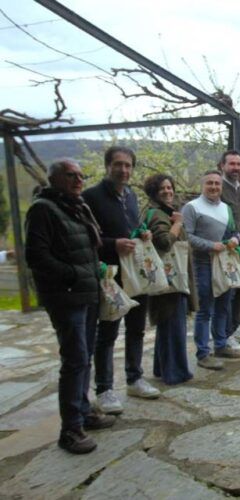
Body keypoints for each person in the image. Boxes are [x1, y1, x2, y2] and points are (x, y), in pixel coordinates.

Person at [26, 159, 115, 454]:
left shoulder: (76, 206)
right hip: (66, 297)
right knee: (75, 360)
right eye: (70, 175)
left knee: (84, 357)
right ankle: (70, 430)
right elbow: (37, 257)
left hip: (87, 294)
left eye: (81, 175)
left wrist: (94, 269)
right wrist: (75, 274)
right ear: (54, 179)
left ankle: (84, 411)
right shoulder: (43, 209)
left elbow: (85, 248)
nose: (78, 180)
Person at [83, 146, 160, 416]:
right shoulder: (90, 197)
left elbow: (130, 228)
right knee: (107, 333)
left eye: (128, 165)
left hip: (134, 272)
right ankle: (104, 389)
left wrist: (142, 233)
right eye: (118, 164)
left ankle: (134, 378)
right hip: (109, 275)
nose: (124, 170)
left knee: (137, 328)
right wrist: (112, 244)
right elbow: (85, 239)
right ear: (107, 166)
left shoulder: (130, 196)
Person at [183, 170, 240, 370]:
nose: (213, 187)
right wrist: (211, 245)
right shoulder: (192, 207)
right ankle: (203, 353)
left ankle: (220, 344)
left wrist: (235, 239)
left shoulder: (226, 208)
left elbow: (232, 232)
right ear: (203, 185)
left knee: (224, 304)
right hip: (203, 263)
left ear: (221, 186)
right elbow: (187, 237)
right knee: (205, 309)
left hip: (225, 262)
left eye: (217, 184)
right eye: (209, 183)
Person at [143, 174, 194, 385]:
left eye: (170, 187)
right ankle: (175, 372)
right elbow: (164, 242)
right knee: (173, 325)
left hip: (168, 279)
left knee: (168, 324)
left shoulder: (161, 212)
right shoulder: (157, 215)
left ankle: (161, 368)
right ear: (154, 192)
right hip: (170, 280)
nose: (168, 191)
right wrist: (178, 224)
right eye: (162, 188)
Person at [217, 150, 240, 349]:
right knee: (228, 293)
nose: (236, 168)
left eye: (239, 165)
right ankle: (223, 335)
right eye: (232, 164)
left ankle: (233, 331)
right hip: (228, 249)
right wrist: (234, 238)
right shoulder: (218, 188)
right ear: (223, 166)